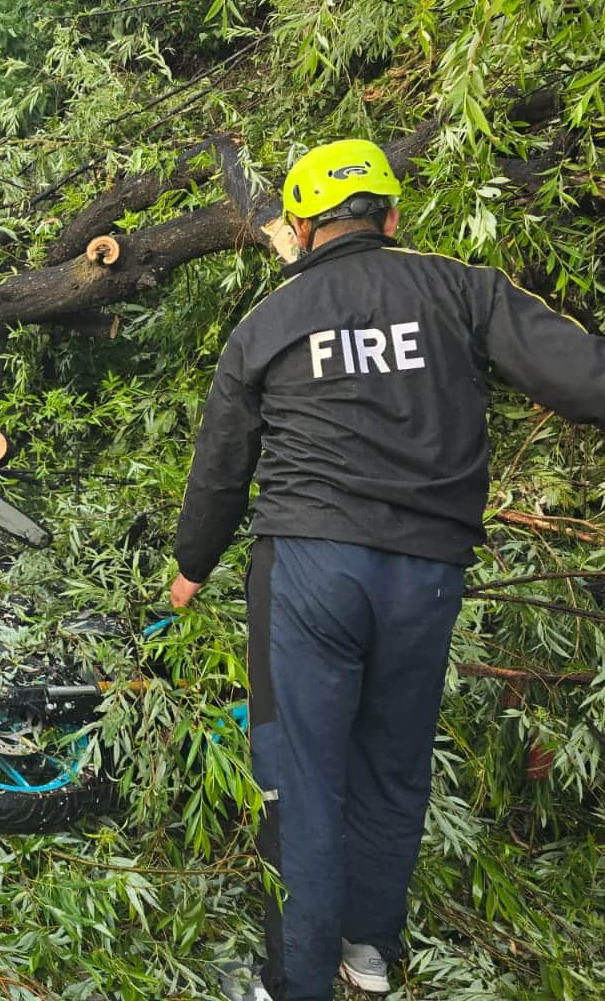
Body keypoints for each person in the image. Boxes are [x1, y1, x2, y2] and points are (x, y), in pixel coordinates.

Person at [165, 139, 605, 1001]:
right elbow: (587, 380)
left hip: (308, 570)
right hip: (426, 575)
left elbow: (221, 463)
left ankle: (295, 983)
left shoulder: (268, 322)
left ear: (299, 227)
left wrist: (192, 564)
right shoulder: (460, 287)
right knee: (393, 764)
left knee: (301, 772)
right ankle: (368, 953)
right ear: (392, 218)